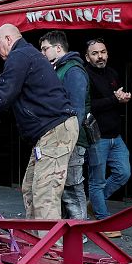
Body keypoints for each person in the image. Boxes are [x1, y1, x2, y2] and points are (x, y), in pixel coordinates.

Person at [0, 23, 78, 221]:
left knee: (44, 194)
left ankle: (50, 249)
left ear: (9, 40)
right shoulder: (26, 55)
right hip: (48, 133)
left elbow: (2, 96)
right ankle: (36, 242)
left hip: (55, 131)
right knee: (30, 188)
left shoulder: (19, 56)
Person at [84, 38, 132, 237]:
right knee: (96, 181)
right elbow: (89, 106)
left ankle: (95, 202)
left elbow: (115, 97)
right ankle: (102, 221)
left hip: (116, 136)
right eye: (95, 53)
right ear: (87, 57)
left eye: (103, 52)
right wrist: (115, 99)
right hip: (97, 137)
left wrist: (123, 98)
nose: (100, 56)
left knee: (124, 173)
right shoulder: (85, 76)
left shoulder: (113, 73)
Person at [39, 30, 89, 221]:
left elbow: (77, 110)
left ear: (58, 48)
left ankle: (78, 230)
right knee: (65, 185)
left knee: (72, 185)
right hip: (64, 138)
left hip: (71, 139)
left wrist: (69, 140)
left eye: (45, 49)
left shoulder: (73, 70)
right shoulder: (61, 68)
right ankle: (72, 229)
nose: (42, 53)